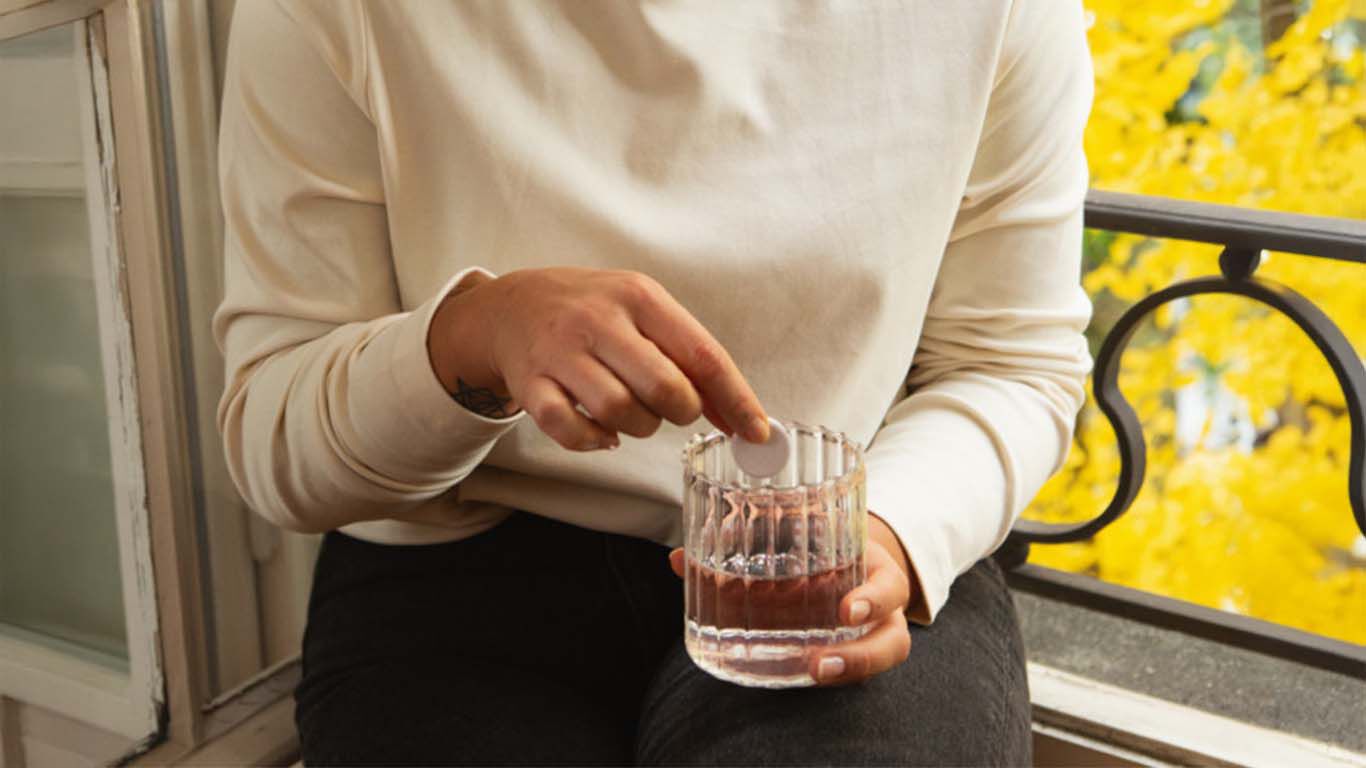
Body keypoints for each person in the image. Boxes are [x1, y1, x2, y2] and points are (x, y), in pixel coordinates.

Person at [215, 1, 1094, 764]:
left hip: (841, 540)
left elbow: (1010, 364)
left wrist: (891, 535)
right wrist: (476, 335)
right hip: (453, 575)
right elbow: (272, 442)